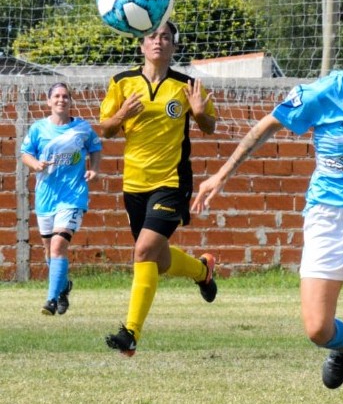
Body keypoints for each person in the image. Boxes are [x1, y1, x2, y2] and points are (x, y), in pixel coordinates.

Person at [191, 4, 343, 404]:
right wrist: (220, 175)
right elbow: (267, 126)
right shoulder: (322, 93)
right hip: (328, 214)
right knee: (317, 329)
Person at [99, 21, 218, 357]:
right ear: (142, 45)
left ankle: (131, 333)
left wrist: (199, 113)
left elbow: (209, 126)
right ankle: (201, 270)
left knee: (143, 251)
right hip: (134, 184)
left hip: (171, 182)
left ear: (173, 46)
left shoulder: (187, 85)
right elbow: (106, 130)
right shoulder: (122, 82)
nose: (159, 41)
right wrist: (122, 113)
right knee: (159, 259)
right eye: (152, 36)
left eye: (165, 37)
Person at [21, 82, 103, 316]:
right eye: (56, 96)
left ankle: (51, 300)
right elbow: (25, 153)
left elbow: (96, 147)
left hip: (73, 195)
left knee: (58, 245)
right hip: (46, 197)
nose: (61, 99)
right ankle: (63, 286)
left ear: (70, 101)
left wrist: (94, 169)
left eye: (65, 96)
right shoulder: (38, 129)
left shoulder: (82, 128)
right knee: (49, 250)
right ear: (48, 102)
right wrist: (35, 164)